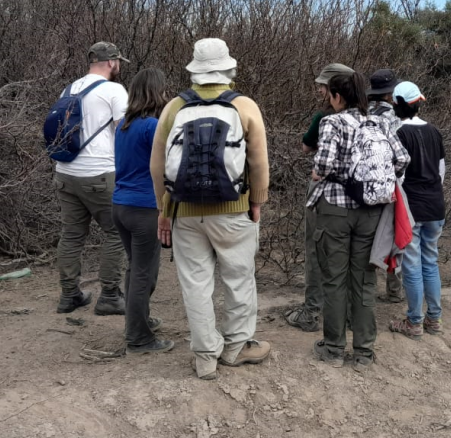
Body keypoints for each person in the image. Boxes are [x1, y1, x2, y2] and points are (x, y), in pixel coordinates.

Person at [152, 39, 271, 380]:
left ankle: (205, 357)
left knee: (195, 284)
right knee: (238, 279)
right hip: (234, 210)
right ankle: (236, 347)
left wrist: (166, 208)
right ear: (229, 70)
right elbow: (259, 162)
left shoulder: (174, 107)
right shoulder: (245, 105)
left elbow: (157, 164)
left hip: (185, 211)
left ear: (195, 70)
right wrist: (257, 202)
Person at [310, 71, 410, 370]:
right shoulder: (379, 122)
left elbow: (324, 165)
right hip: (371, 211)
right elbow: (403, 159)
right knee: (365, 280)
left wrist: (320, 172)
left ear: (337, 96)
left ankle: (334, 349)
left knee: (335, 280)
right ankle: (364, 351)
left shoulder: (332, 122)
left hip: (336, 211)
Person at [53, 41, 129, 316]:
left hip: (65, 171)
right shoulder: (114, 90)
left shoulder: (69, 88)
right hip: (99, 173)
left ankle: (69, 295)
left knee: (72, 235)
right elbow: (125, 130)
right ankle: (109, 295)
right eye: (118, 62)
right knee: (116, 232)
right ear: (111, 62)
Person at [285, 62, 355, 333]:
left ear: (335, 89)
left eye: (324, 86)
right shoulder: (369, 117)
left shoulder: (324, 118)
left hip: (325, 192)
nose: (320, 91)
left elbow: (306, 147)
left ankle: (311, 311)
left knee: (316, 250)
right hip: (360, 196)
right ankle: (349, 313)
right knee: (351, 253)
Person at [113, 68, 174, 353]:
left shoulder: (124, 125)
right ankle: (139, 338)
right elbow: (166, 168)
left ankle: (139, 322)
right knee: (142, 273)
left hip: (121, 205)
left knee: (137, 269)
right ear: (156, 92)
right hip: (144, 208)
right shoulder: (153, 127)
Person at [388, 82, 446, 340]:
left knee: (411, 266)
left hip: (411, 207)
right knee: (430, 262)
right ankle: (434, 318)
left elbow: (395, 175)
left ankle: (414, 321)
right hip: (435, 204)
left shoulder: (398, 133)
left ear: (397, 103)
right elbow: (441, 171)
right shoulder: (434, 131)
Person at [367, 68, 406, 304]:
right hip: (392, 184)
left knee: (368, 239)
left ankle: (366, 292)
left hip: (368, 186)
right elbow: (401, 154)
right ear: (391, 94)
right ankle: (394, 291)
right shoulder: (396, 117)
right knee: (392, 237)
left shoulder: (361, 113)